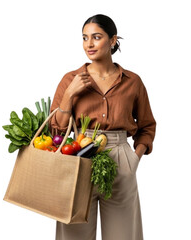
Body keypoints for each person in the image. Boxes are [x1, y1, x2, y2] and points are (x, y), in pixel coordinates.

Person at [50, 14, 156, 240]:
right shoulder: (70, 79)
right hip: (78, 157)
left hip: (120, 160)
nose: (89, 44)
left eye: (96, 37)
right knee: (73, 235)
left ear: (112, 40)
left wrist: (133, 160)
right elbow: (55, 131)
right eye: (84, 38)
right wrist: (69, 94)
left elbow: (147, 126)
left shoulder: (132, 81)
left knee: (123, 235)